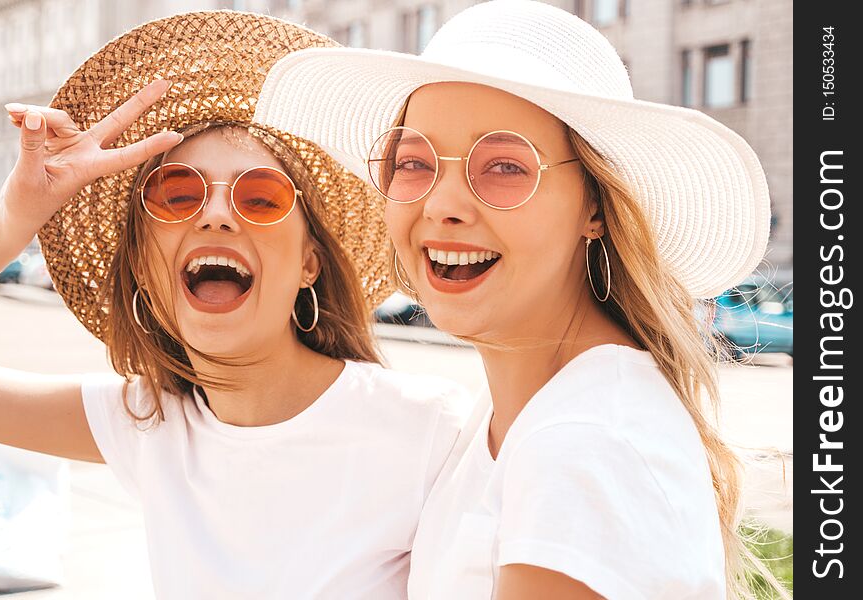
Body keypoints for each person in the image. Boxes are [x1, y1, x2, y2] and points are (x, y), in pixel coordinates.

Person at [253, 1, 789, 598]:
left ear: (594, 206)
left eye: (505, 166)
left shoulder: (585, 442)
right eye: (413, 163)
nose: (442, 203)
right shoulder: (524, 412)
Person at [0, 12, 467, 600]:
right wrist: (15, 217)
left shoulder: (432, 430)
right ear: (142, 264)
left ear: (308, 265)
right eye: (178, 195)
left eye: (261, 199)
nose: (216, 215)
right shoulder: (147, 424)